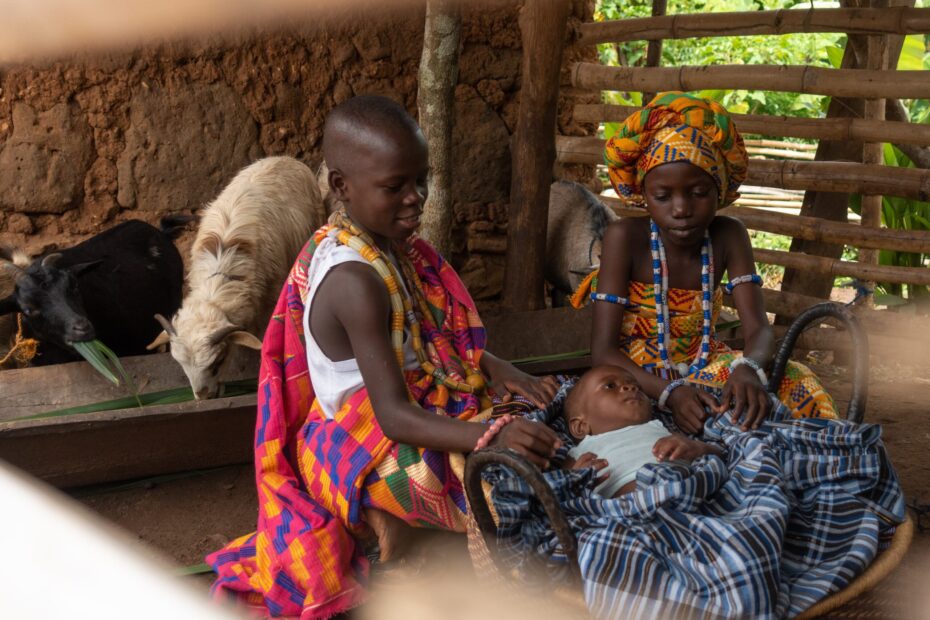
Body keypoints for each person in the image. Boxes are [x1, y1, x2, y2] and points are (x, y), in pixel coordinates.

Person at [207, 95, 561, 619]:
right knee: (508, 483)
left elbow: (437, 344)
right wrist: (492, 436)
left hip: (407, 413)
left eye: (422, 181)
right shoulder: (354, 279)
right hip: (359, 444)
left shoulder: (398, 250)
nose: (415, 199)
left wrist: (498, 368)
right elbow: (394, 417)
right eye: (395, 187)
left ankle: (397, 524)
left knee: (557, 414)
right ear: (340, 186)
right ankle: (379, 512)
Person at [571, 92, 836, 434]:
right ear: (644, 195)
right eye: (663, 196)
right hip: (637, 376)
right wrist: (671, 393)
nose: (681, 208)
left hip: (709, 363)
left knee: (798, 380)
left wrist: (747, 368)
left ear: (720, 190)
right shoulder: (625, 237)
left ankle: (824, 457)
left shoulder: (728, 235)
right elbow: (603, 351)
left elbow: (758, 329)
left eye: (698, 193)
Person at [565, 365, 721, 498]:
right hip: (633, 508)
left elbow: (720, 454)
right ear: (580, 427)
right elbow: (561, 488)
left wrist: (698, 448)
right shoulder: (583, 450)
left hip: (690, 491)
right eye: (610, 386)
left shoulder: (658, 427)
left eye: (637, 387)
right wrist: (576, 478)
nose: (631, 387)